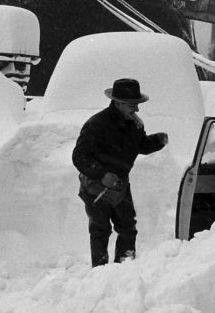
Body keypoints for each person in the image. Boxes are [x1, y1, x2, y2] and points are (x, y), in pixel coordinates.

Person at [72, 78, 169, 267]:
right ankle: (99, 273)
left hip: (120, 186)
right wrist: (102, 175)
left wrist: (158, 141)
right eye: (133, 105)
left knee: (128, 229)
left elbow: (139, 145)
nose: (137, 109)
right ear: (118, 103)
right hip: (95, 187)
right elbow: (79, 156)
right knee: (100, 230)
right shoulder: (96, 124)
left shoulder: (133, 124)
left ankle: (124, 271)